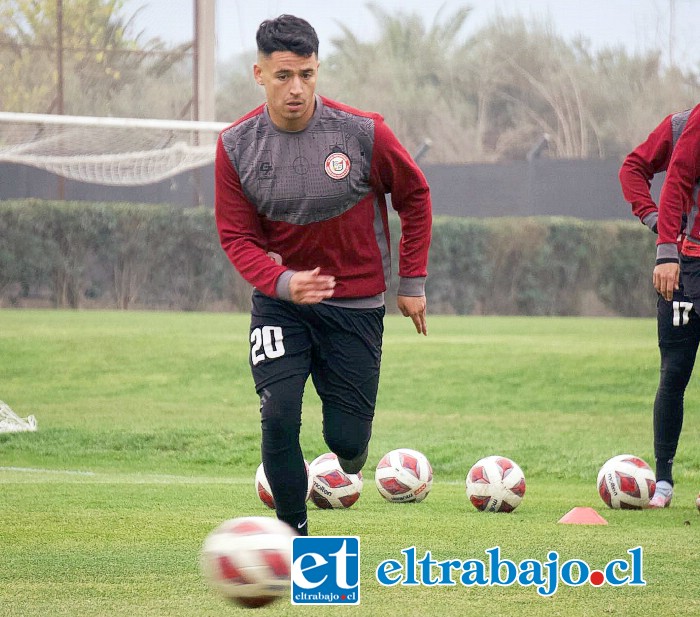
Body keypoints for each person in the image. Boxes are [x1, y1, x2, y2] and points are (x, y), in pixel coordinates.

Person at [214, 15, 432, 535]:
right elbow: (237, 238)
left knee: (348, 443)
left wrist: (413, 283)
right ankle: (293, 534)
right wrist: (284, 283)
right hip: (280, 305)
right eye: (284, 75)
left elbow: (415, 196)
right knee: (279, 413)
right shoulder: (235, 146)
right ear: (259, 73)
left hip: (354, 306)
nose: (297, 88)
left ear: (318, 71)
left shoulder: (363, 133)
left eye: (307, 75)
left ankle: (349, 463)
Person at [620, 106, 698, 508]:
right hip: (686, 266)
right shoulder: (686, 124)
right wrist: (661, 235)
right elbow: (637, 171)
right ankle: (663, 482)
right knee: (674, 374)